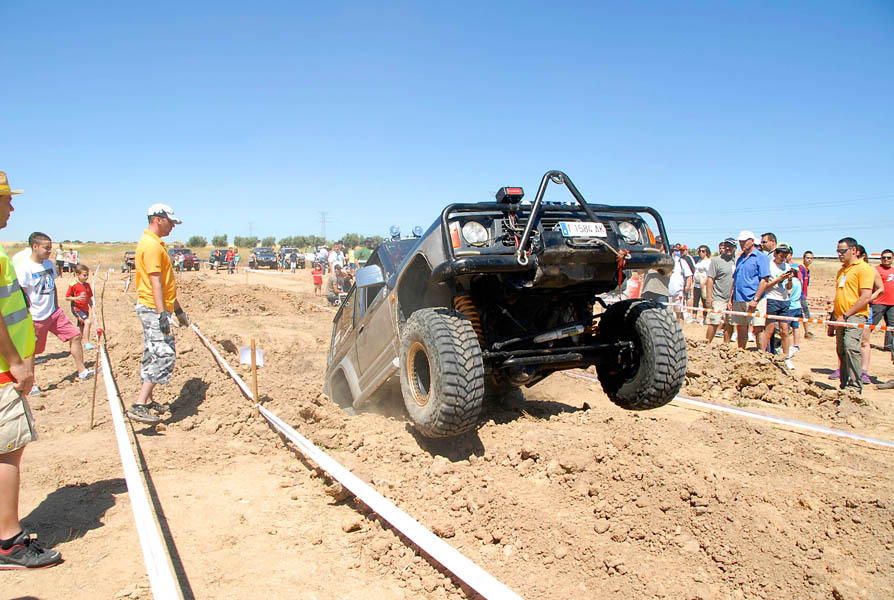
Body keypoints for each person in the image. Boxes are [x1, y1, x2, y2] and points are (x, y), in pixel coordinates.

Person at [0, 171, 63, 569]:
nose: (11, 206)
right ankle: (9, 542)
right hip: (2, 372)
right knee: (7, 453)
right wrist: (16, 364)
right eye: (6, 198)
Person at [126, 203, 190, 425]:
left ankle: (148, 400)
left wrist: (178, 310)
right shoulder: (152, 246)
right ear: (158, 219)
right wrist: (163, 314)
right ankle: (140, 405)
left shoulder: (154, 244)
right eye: (170, 222)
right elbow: (156, 284)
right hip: (154, 308)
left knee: (152, 352)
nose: (173, 226)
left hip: (155, 306)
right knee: (164, 355)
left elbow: (165, 284)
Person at [17, 232, 94, 395]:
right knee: (31, 351)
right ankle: (32, 384)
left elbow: (53, 287)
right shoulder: (24, 268)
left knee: (75, 336)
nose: (49, 251)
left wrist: (56, 307)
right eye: (46, 248)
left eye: (50, 248)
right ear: (35, 247)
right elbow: (22, 294)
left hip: (54, 313)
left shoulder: (49, 265)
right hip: (36, 317)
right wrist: (27, 315)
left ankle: (82, 371)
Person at [830, 237, 875, 393]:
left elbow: (865, 297)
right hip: (840, 316)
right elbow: (839, 296)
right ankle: (844, 385)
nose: (839, 254)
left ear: (854, 250)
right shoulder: (841, 271)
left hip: (855, 315)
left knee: (851, 348)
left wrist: (846, 315)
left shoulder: (864, 269)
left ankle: (854, 386)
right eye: (838, 251)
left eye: (843, 251)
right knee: (841, 350)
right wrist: (834, 318)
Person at [729, 230, 771, 350]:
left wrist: (756, 299)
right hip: (739, 298)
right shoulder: (740, 258)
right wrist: (731, 297)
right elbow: (735, 279)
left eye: (744, 241)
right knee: (741, 327)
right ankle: (741, 352)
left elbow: (764, 280)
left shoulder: (760, 257)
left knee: (758, 328)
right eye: (740, 242)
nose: (741, 244)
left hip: (755, 299)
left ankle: (761, 354)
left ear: (752, 241)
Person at [762, 243, 796, 369]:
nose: (783, 259)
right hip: (772, 299)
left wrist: (790, 279)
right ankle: (762, 354)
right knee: (769, 329)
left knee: (785, 331)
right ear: (775, 254)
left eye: (785, 256)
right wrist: (779, 279)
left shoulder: (787, 266)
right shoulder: (769, 266)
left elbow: (789, 288)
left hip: (784, 300)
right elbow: (766, 286)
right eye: (781, 256)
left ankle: (786, 358)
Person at [855, 245, 883, 385]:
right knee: (845, 341)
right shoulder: (848, 269)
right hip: (849, 308)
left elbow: (881, 289)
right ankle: (842, 368)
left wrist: (868, 299)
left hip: (866, 309)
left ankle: (864, 371)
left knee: (864, 341)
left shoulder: (871, 270)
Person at [704, 238, 735, 343]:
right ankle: (706, 344)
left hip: (731, 299)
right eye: (726, 246)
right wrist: (709, 297)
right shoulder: (716, 261)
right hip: (718, 297)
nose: (728, 248)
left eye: (730, 246)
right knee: (714, 322)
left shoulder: (737, 261)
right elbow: (710, 279)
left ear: (735, 248)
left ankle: (726, 346)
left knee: (730, 323)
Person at [871, 249, 894, 360]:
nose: (886, 259)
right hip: (879, 302)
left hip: (892, 303)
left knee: (891, 326)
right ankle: (861, 340)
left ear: (892, 258)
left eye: (888, 257)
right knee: (871, 323)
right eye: (883, 257)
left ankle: (888, 346)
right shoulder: (876, 270)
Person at [65, 264, 95, 350]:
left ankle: (78, 342)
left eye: (87, 275)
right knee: (88, 322)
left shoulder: (87, 285)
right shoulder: (73, 285)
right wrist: (77, 298)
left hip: (85, 308)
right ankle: (87, 343)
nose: (86, 277)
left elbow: (89, 298)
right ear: (78, 274)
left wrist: (92, 307)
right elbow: (67, 297)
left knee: (82, 326)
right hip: (77, 308)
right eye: (84, 275)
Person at [668, 243, 693, 323]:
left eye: (674, 250)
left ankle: (680, 329)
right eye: (671, 250)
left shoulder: (681, 262)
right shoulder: (664, 262)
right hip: (666, 292)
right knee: (666, 313)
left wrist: (687, 287)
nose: (673, 252)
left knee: (679, 312)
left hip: (679, 292)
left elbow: (689, 275)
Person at [691, 245, 711, 324]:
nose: (701, 253)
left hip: (704, 284)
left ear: (706, 252)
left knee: (704, 301)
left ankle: (704, 318)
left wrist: (704, 283)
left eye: (703, 251)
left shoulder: (708, 262)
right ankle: (694, 317)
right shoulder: (699, 260)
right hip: (697, 284)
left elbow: (709, 274)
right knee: (695, 301)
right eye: (700, 251)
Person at [797, 251, 815, 338]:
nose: (809, 260)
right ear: (803, 258)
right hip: (799, 296)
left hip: (803, 295)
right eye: (807, 258)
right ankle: (807, 332)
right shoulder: (801, 268)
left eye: (811, 258)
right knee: (805, 313)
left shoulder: (807, 270)